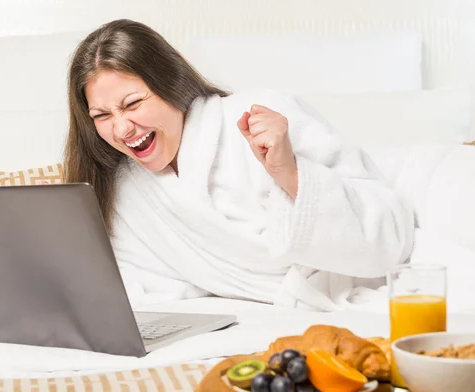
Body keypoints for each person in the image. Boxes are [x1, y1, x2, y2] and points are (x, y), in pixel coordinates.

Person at [62, 19, 415, 311]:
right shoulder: (125, 190)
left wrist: (290, 173)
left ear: (170, 83)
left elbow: (388, 233)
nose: (122, 129)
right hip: (241, 319)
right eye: (102, 115)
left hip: (344, 288)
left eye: (133, 104)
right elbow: (146, 289)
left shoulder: (259, 116)